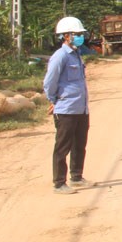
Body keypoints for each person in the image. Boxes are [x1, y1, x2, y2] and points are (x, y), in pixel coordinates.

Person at [43, 16, 96, 195]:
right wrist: (53, 100)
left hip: (81, 108)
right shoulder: (60, 56)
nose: (80, 37)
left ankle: (77, 177)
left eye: (81, 34)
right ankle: (59, 183)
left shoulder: (77, 54)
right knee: (62, 147)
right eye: (77, 34)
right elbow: (49, 82)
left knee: (79, 144)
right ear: (66, 36)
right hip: (65, 109)